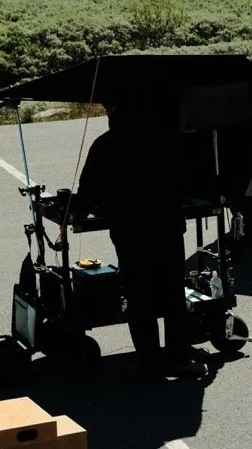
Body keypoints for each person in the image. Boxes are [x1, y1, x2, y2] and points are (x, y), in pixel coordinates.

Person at [76, 104, 206, 380]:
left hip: (130, 231)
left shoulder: (105, 145)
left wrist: (74, 212)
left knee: (139, 297)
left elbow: (87, 191)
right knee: (172, 294)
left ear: (113, 113)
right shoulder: (166, 139)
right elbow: (189, 181)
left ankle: (149, 363)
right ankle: (179, 358)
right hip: (167, 226)